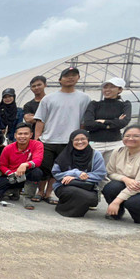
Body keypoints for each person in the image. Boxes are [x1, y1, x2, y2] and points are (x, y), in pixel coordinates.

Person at [33, 67, 91, 204]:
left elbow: (83, 122)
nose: (70, 78)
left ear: (78, 78)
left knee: (58, 169)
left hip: (69, 141)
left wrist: (81, 140)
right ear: (60, 80)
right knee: (44, 168)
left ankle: (49, 193)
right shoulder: (49, 99)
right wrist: (37, 139)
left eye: (73, 75)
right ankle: (39, 192)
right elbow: (40, 120)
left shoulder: (84, 98)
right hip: (48, 139)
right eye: (67, 76)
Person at [104, 125, 140, 226]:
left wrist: (116, 202)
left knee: (133, 203)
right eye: (127, 136)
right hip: (130, 185)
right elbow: (110, 172)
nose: (130, 139)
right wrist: (125, 179)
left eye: (136, 136)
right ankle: (116, 213)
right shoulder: (118, 151)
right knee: (110, 188)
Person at [0, 123, 44, 207]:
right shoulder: (8, 148)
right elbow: (1, 165)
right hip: (11, 176)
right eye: (20, 134)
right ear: (15, 135)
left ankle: (27, 197)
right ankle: (13, 190)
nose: (22, 136)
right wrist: (10, 173)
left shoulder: (37, 144)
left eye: (26, 134)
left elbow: (38, 160)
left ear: (31, 135)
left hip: (26, 174)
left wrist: (25, 165)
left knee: (37, 172)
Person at [52, 130, 106, 217]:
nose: (80, 142)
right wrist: (75, 173)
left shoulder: (96, 155)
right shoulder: (65, 154)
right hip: (65, 186)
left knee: (91, 199)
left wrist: (75, 177)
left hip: (87, 186)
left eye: (83, 139)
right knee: (74, 193)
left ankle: (74, 208)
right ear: (71, 141)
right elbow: (56, 174)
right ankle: (65, 208)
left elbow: (100, 174)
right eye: (76, 140)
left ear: (88, 140)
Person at [83, 77, 132, 166]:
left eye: (112, 87)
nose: (107, 90)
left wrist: (103, 121)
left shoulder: (125, 105)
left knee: (112, 171)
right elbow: (88, 124)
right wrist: (113, 123)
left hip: (115, 143)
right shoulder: (94, 104)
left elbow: (124, 122)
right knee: (91, 169)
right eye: (105, 87)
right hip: (95, 143)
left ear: (120, 90)